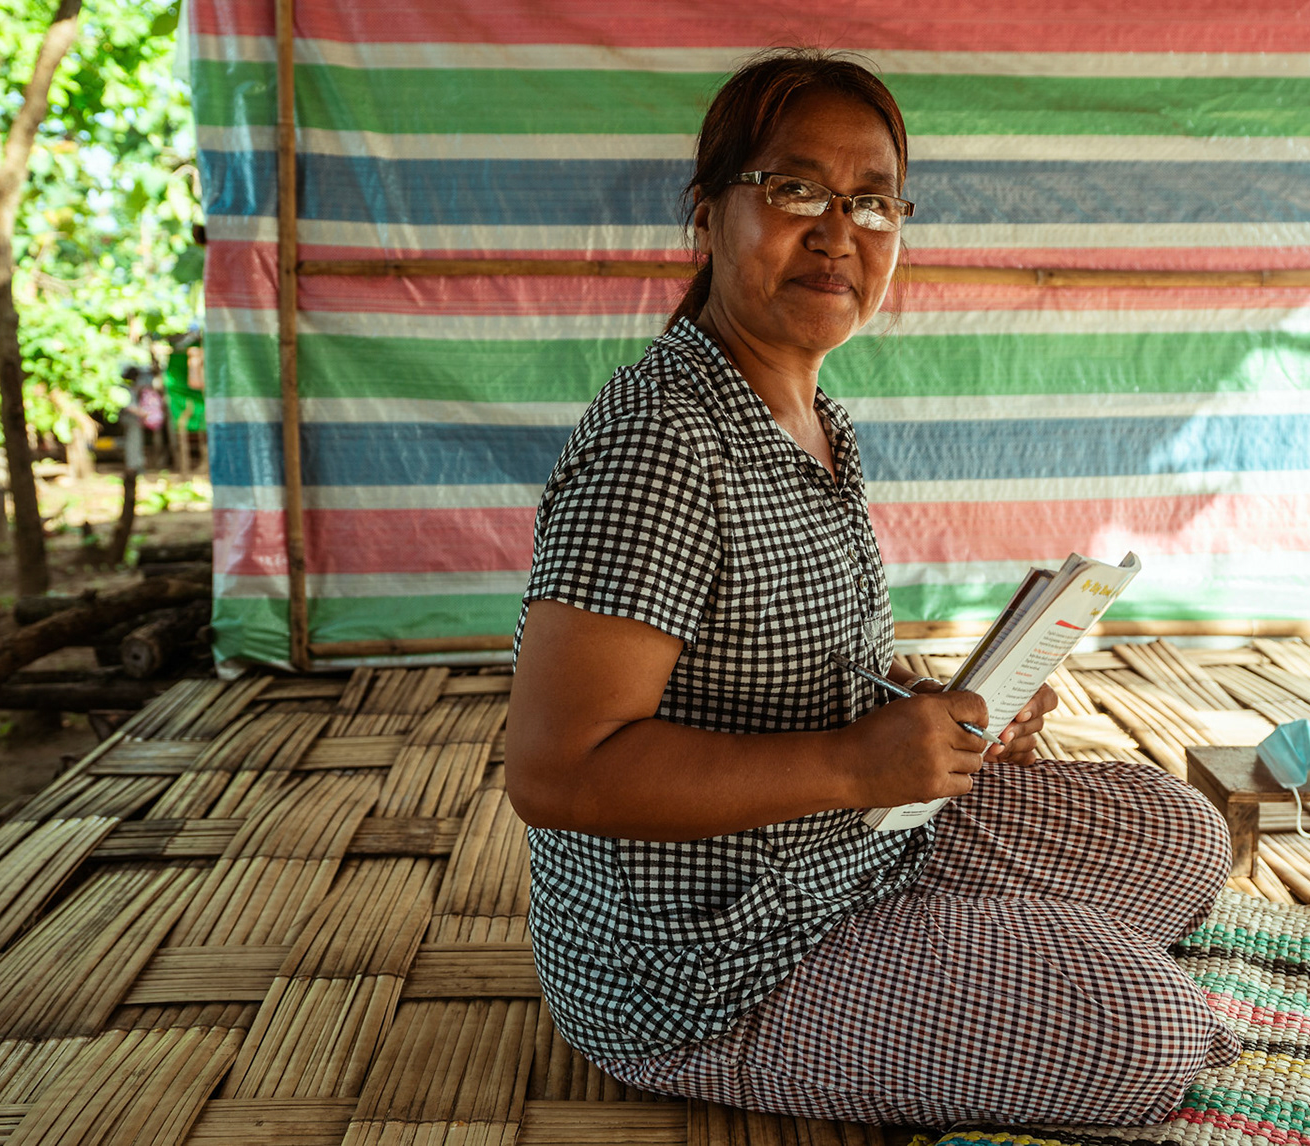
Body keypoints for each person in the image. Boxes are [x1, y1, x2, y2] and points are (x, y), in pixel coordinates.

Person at [507, 49, 1239, 1128]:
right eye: (795, 189)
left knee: (1183, 836)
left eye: (874, 202)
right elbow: (558, 773)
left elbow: (787, 671)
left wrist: (939, 710)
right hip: (701, 960)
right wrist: (856, 762)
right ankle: (987, 973)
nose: (839, 232)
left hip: (844, 844)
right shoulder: (658, 446)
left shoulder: (815, 424)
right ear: (707, 217)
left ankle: (972, 954)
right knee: (1145, 1032)